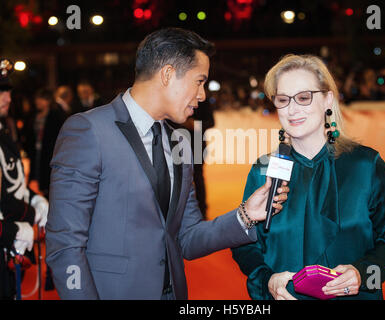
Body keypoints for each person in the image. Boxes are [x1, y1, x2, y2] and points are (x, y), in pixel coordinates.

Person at [45, 28, 289, 300]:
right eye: (199, 81)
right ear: (168, 74)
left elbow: (187, 237)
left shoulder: (181, 143)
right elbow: (65, 246)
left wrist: (245, 215)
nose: (202, 94)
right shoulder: (88, 130)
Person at [231, 54, 385, 300]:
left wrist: (363, 272)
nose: (292, 109)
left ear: (327, 100)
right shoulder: (263, 169)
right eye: (283, 99)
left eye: (304, 98)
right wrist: (266, 280)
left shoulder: (366, 165)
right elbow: (245, 242)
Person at [0, 58, 49, 299]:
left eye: (7, 91)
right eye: (1, 92)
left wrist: (35, 199)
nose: (7, 98)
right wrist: (13, 228)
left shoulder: (3, 132)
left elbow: (12, 180)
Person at [23, 88, 67, 198]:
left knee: (48, 179)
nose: (38, 102)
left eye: (42, 99)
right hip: (35, 152)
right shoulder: (32, 116)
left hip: (50, 153)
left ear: (48, 101)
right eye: (37, 99)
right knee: (35, 177)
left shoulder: (56, 116)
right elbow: (27, 135)